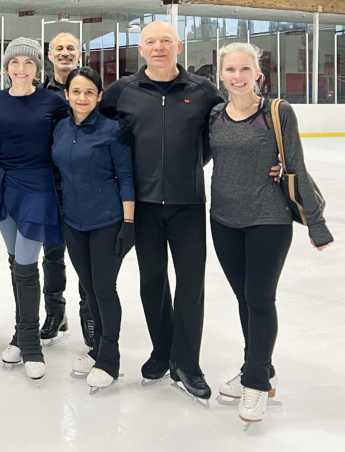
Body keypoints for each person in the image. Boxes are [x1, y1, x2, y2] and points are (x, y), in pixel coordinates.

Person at [99, 20, 225, 403]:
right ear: (141, 49)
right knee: (152, 282)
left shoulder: (203, 90)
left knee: (190, 285)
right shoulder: (122, 91)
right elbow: (97, 132)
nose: (158, 47)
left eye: (165, 41)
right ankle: (161, 351)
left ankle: (187, 363)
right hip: (144, 206)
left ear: (179, 47)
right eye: (151, 42)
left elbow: (223, 135)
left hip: (188, 204)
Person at [208, 42, 333, 426]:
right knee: (244, 299)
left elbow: (295, 164)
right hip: (223, 220)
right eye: (231, 70)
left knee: (260, 299)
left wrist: (316, 223)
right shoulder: (214, 114)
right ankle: (259, 366)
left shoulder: (277, 112)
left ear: (257, 74)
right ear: (221, 74)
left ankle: (257, 382)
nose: (238, 76)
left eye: (245, 69)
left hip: (268, 220)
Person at [0, 37, 69, 380]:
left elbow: (74, 134)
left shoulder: (53, 101)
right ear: (6, 68)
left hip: (37, 186)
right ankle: (23, 332)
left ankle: (29, 342)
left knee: (26, 262)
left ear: (38, 68)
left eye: (29, 63)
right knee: (15, 261)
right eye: (15, 62)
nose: (21, 69)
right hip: (4, 184)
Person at [52, 66, 134, 393]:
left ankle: (110, 357)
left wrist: (128, 223)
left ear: (99, 96)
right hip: (73, 221)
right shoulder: (59, 129)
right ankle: (97, 348)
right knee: (87, 286)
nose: (82, 97)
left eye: (89, 92)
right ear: (66, 95)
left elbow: (127, 178)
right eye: (76, 92)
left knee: (103, 288)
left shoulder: (113, 131)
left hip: (107, 220)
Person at [41, 32, 92, 347]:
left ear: (79, 54)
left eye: (70, 48)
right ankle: (55, 312)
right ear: (49, 55)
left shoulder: (90, 89)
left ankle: (89, 312)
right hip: (49, 185)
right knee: (52, 254)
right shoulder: (39, 94)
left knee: (86, 255)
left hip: (84, 186)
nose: (64, 52)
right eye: (58, 48)